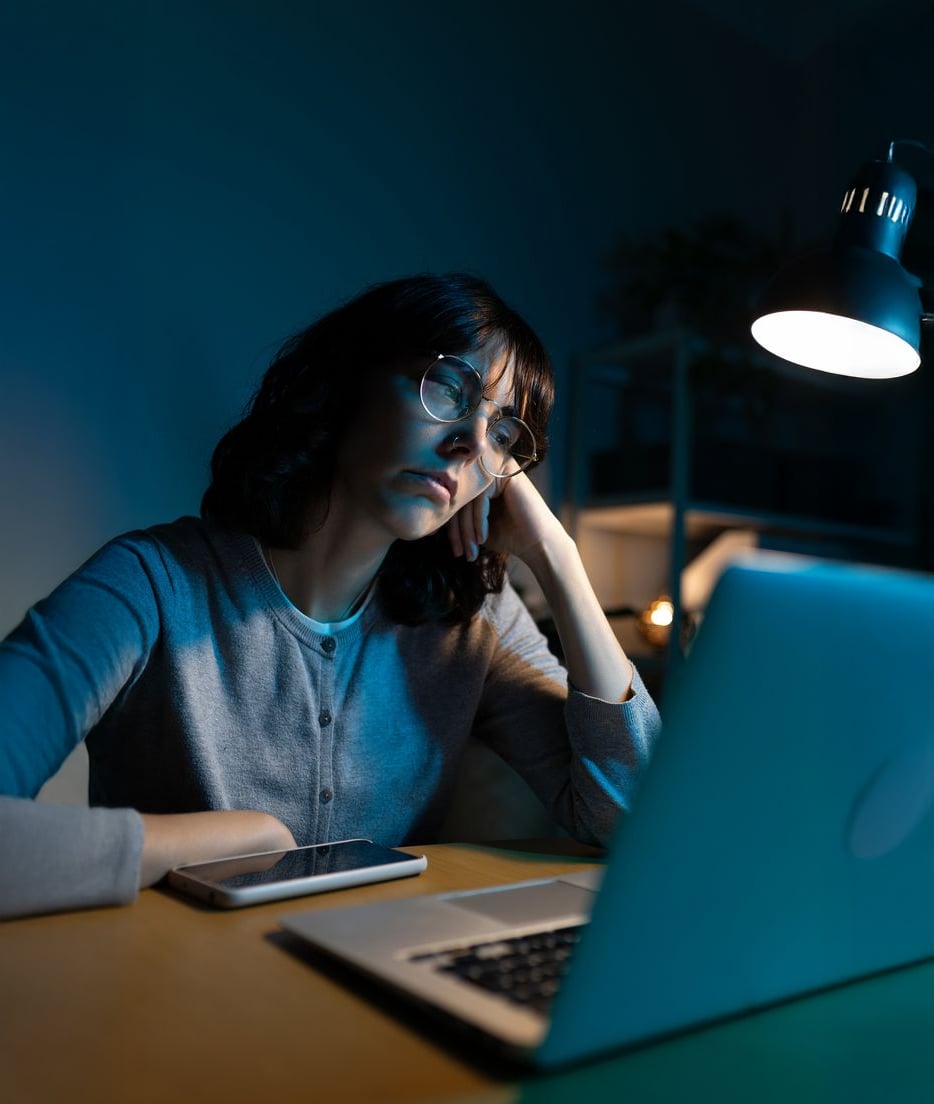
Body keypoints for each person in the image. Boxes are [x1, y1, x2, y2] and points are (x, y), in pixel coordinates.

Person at [0, 273, 660, 919]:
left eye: (503, 434)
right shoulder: (150, 584)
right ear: (347, 382)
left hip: (374, 999)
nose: (468, 446)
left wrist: (557, 558)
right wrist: (232, 841)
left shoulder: (472, 621)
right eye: (448, 391)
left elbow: (636, 821)